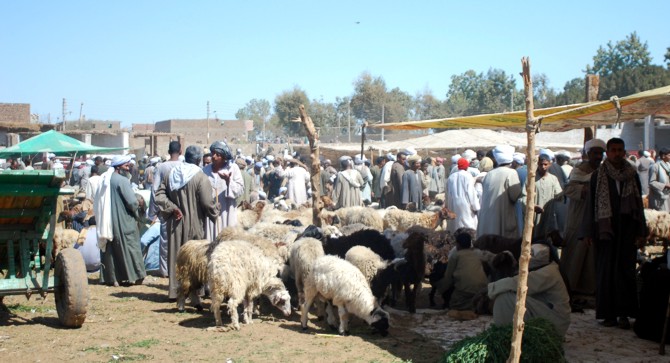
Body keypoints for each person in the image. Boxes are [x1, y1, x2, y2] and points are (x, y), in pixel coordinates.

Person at [584, 137, 647, 329]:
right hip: (606, 232)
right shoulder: (598, 176)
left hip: (627, 231)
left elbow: (638, 206)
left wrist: (641, 231)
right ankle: (608, 314)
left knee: (626, 272)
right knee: (606, 272)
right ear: (608, 152)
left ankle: (624, 314)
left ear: (624, 151)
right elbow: (590, 206)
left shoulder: (631, 174)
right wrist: (588, 232)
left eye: (620, 150)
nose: (617, 154)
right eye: (614, 150)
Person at [155, 146, 220, 300]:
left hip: (175, 223)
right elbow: (207, 203)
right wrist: (216, 209)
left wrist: (172, 208)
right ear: (198, 160)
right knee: (194, 258)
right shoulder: (200, 177)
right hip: (194, 223)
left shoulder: (172, 174)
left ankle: (175, 292)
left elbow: (159, 195)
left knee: (177, 257)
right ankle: (194, 293)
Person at [488, 243, 571, 337]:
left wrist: (491, 289)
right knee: (509, 294)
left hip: (557, 325)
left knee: (505, 298)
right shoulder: (549, 270)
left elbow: (518, 283)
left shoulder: (548, 273)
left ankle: (507, 334)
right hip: (556, 319)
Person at [560, 138, 605, 302]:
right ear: (588, 154)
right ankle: (570, 287)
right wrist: (583, 190)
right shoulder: (579, 170)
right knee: (575, 252)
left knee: (591, 253)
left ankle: (589, 288)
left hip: (596, 217)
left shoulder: (603, 171)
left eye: (600, 153)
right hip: (578, 216)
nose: (598, 156)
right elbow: (568, 189)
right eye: (595, 153)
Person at [98, 155, 146, 287]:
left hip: (107, 220)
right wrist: (138, 204)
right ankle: (137, 275)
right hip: (123, 220)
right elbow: (132, 202)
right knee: (131, 246)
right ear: (119, 167)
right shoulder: (122, 181)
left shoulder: (106, 179)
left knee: (111, 249)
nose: (129, 168)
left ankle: (113, 278)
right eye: (126, 166)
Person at [149, 141, 183, 278]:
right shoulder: (183, 166)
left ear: (169, 152)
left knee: (165, 241)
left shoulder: (161, 167)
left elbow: (155, 190)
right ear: (180, 152)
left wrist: (153, 212)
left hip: (165, 208)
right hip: (181, 208)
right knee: (180, 239)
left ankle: (165, 270)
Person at [476, 145, 522, 238]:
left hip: (487, 221)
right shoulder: (511, 173)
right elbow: (515, 196)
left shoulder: (489, 174)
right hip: (502, 219)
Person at [436, 231, 488, 311]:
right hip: (483, 289)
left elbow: (448, 277)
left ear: (458, 244)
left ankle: (472, 305)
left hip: (464, 291)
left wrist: (440, 290)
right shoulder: (478, 252)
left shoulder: (455, 255)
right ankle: (480, 302)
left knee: (454, 303)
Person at [203, 141, 244, 239]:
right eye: (213, 153)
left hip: (227, 210)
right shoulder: (205, 170)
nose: (214, 156)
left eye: (218, 155)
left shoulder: (233, 169)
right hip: (211, 213)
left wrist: (228, 181)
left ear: (224, 157)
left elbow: (240, 189)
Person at [524, 154, 562, 239]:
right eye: (541, 164)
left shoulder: (553, 179)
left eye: (545, 164)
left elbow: (559, 195)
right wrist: (532, 206)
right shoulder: (531, 178)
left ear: (549, 164)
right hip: (534, 216)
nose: (543, 167)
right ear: (538, 164)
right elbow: (523, 196)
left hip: (549, 215)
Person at [446, 158, 480, 232]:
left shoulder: (451, 177)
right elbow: (471, 193)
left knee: (455, 225)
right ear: (467, 167)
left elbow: (447, 193)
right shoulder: (468, 176)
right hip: (465, 204)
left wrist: (448, 206)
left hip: (453, 203)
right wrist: (475, 207)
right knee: (467, 225)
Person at [648, 147, 670, 212]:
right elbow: (651, 182)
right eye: (669, 155)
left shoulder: (668, 165)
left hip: (667, 195)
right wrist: (665, 185)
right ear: (663, 156)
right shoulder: (655, 166)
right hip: (659, 197)